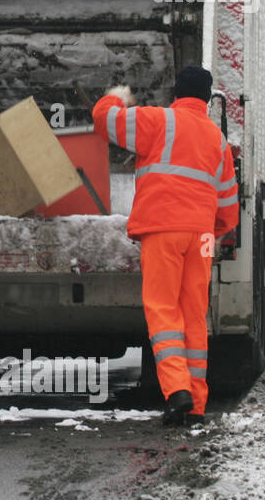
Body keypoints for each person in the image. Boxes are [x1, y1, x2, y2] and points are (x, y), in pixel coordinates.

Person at [92, 66, 239, 427]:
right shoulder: (217, 139)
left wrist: (119, 95)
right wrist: (209, 228)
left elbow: (102, 118)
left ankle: (177, 391)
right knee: (193, 315)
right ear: (207, 99)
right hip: (202, 235)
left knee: (163, 309)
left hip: (163, 230)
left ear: (177, 93)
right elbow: (229, 206)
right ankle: (197, 405)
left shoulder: (158, 121)